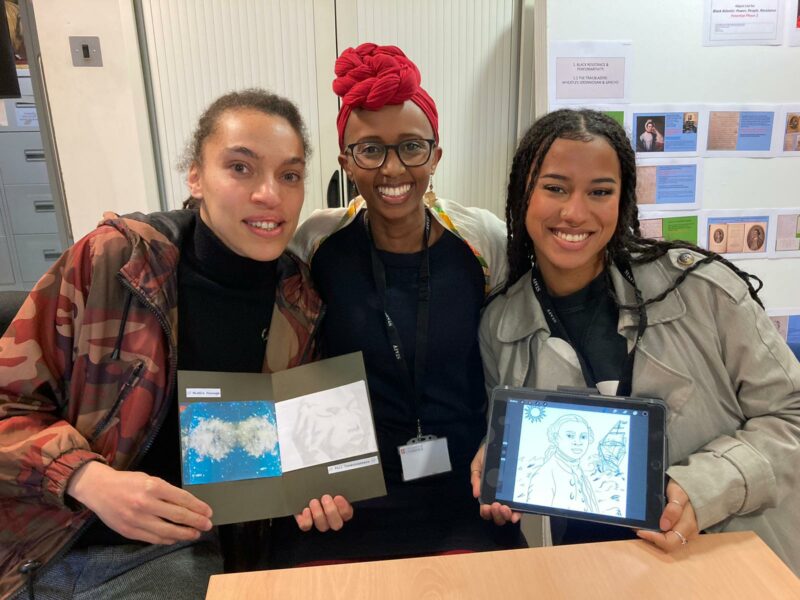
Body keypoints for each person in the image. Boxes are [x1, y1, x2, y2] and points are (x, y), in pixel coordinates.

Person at [0, 89, 322, 599]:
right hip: (39, 546)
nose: (269, 194)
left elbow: (281, 459)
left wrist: (313, 489)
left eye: (290, 175)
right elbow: (7, 404)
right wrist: (86, 478)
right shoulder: (116, 263)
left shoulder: (299, 303)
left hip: (173, 559)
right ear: (195, 176)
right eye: (241, 168)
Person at [471, 108, 800, 573]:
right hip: (589, 568)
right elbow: (516, 432)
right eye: (555, 187)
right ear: (522, 193)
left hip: (722, 557)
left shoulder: (702, 290)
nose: (575, 212)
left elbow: (792, 413)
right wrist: (501, 453)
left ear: (623, 199)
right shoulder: (501, 325)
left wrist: (704, 486)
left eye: (600, 191)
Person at [277, 42, 523, 566]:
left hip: (469, 489)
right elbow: (288, 359)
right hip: (349, 493)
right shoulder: (316, 243)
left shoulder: (482, 241)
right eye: (370, 150)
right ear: (346, 160)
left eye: (411, 147)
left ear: (436, 154)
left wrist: (509, 450)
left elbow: (518, 352)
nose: (393, 169)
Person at [521, 414, 599, 512]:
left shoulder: (579, 472)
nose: (578, 442)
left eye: (583, 437)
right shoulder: (545, 474)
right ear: (555, 438)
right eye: (570, 435)